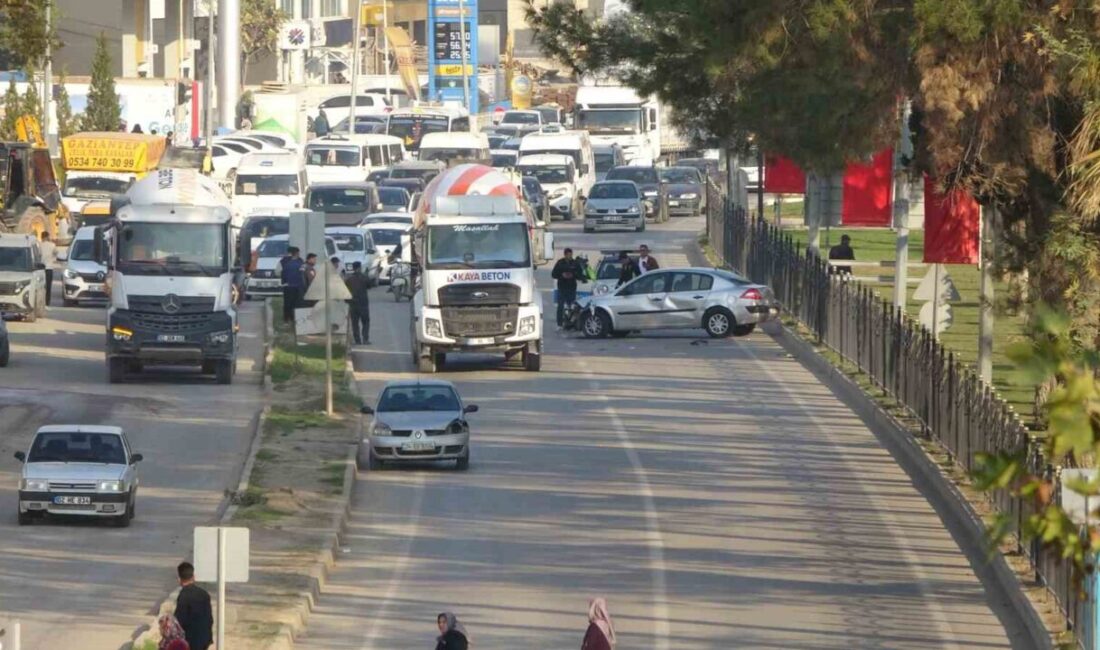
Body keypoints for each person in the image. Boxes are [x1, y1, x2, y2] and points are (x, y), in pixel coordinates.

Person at [174, 562, 213, 650]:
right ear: (193, 577)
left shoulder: (183, 596)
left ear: (179, 579)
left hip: (190, 640)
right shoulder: (204, 594)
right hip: (204, 638)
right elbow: (209, 618)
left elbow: (179, 621)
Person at [551, 247, 585, 329]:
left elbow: (580, 275)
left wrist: (573, 275)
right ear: (565, 255)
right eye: (568, 255)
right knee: (560, 306)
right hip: (562, 288)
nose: (570, 256)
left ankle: (571, 323)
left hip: (571, 287)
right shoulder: (560, 263)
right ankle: (559, 324)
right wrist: (562, 275)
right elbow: (553, 274)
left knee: (572, 306)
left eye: (571, 255)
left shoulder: (575, 263)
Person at [344, 261, 371, 345]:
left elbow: (345, 291)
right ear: (359, 268)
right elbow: (370, 285)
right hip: (363, 303)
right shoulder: (364, 277)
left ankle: (357, 340)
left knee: (355, 323)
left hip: (353, 304)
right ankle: (365, 339)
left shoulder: (348, 279)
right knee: (365, 322)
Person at [279, 246, 305, 323]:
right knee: (297, 303)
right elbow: (303, 273)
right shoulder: (300, 261)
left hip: (287, 285)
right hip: (298, 286)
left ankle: (287, 319)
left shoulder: (283, 261)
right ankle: (295, 319)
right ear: (297, 253)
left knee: (287, 303)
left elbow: (277, 271)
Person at [38, 232, 56, 306]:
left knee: (40, 287)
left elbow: (38, 255)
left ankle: (40, 302)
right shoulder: (52, 245)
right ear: (47, 237)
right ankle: (47, 303)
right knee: (48, 287)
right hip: (49, 269)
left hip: (40, 269)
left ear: (42, 237)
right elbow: (56, 253)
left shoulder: (39, 245)